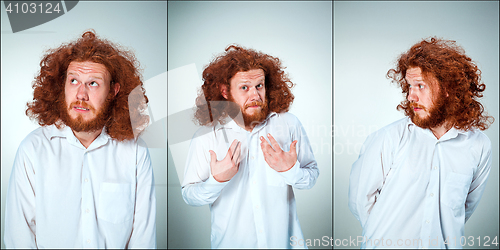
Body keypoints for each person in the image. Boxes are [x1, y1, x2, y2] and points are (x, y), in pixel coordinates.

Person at [4, 31, 156, 248]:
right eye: (74, 80)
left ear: (113, 91)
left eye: (93, 83)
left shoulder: (135, 152)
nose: (81, 94)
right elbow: (19, 237)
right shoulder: (32, 149)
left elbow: (143, 238)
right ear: (62, 86)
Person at [348, 37, 494, 249]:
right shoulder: (388, 138)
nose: (411, 96)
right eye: (409, 86)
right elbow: (360, 200)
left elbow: (463, 209)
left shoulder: (479, 146)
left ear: (448, 88)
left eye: (420, 86)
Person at [181, 45, 319, 248]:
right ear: (225, 91)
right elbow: (189, 196)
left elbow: (311, 177)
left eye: (259, 86)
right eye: (244, 87)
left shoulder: (289, 124)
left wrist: (290, 170)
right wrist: (217, 180)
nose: (255, 95)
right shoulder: (206, 137)